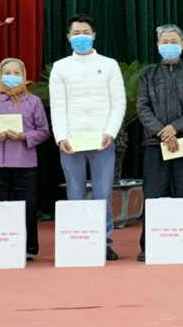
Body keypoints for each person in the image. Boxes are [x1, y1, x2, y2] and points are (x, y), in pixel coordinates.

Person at [49, 14, 126, 261]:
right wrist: (61, 137)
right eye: (76, 33)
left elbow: (119, 102)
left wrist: (110, 132)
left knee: (103, 193)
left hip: (102, 140)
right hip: (72, 140)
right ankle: (78, 239)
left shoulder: (109, 64)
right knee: (75, 193)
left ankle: (104, 242)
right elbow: (57, 105)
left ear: (93, 35)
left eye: (85, 33)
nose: (81, 37)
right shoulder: (60, 67)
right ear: (68, 37)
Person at [135, 24, 183, 262]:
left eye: (174, 41)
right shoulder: (147, 75)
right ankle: (149, 246)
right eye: (164, 42)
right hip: (154, 144)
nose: (169, 45)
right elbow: (142, 108)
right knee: (153, 195)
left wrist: (175, 128)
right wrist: (162, 132)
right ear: (158, 45)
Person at [0, 58, 51, 260]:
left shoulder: (33, 102)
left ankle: (29, 248)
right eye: (7, 73)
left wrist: (24, 136)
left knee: (27, 207)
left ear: (24, 76)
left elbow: (44, 131)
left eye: (17, 73)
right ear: (0, 76)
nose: (12, 76)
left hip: (25, 163)